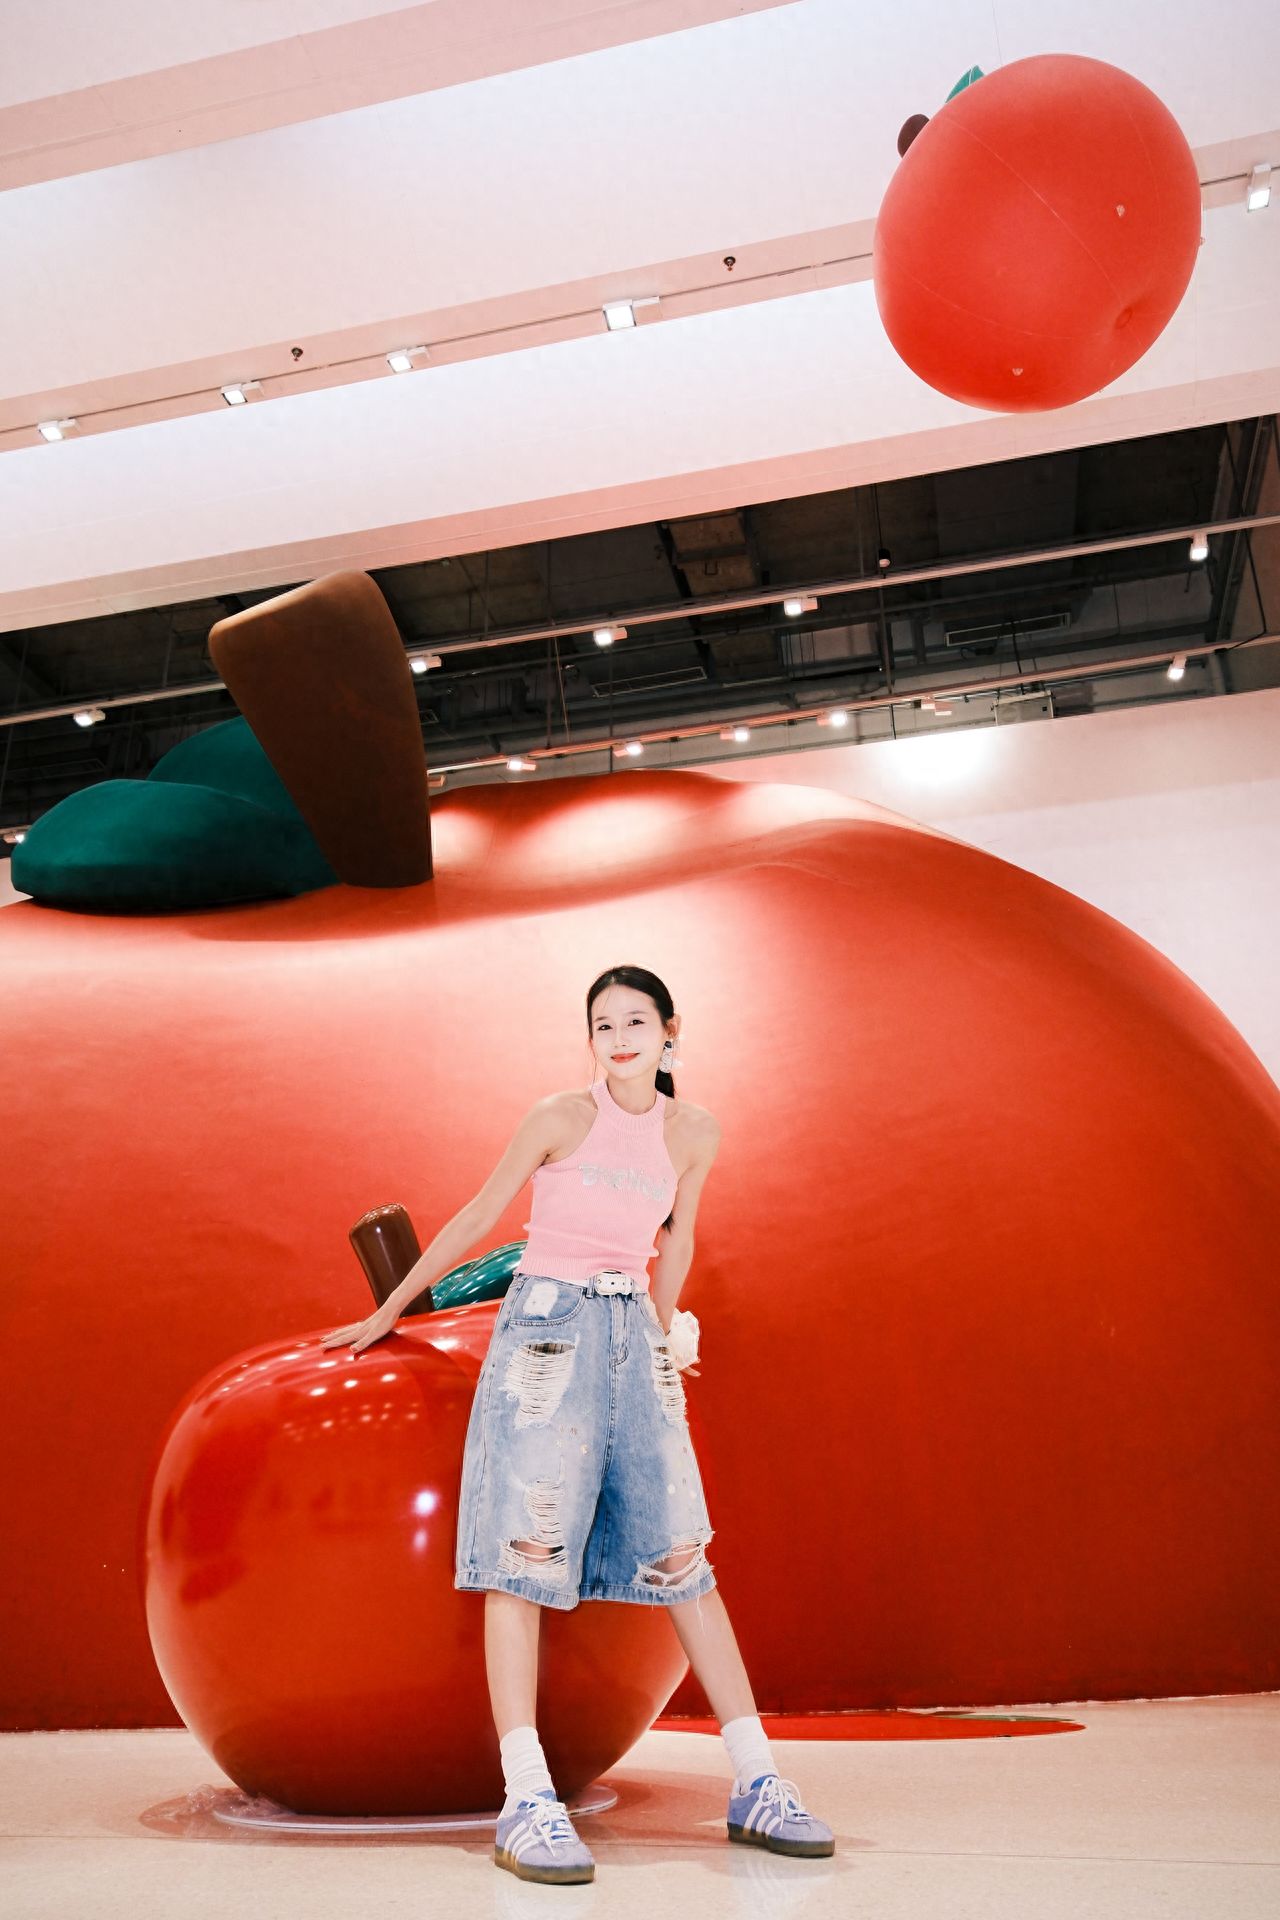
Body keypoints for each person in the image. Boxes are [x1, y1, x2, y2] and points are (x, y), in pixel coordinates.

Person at [323, 964, 834, 1883]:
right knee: (521, 1559)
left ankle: (758, 1781)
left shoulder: (695, 1132)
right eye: (604, 1025)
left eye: (637, 1021)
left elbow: (677, 1236)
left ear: (672, 1030)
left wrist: (666, 1332)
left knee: (683, 1554)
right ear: (590, 1040)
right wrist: (389, 1313)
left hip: (630, 1335)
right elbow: (482, 1214)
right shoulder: (559, 1117)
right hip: (546, 1338)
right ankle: (528, 1800)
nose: (621, 1036)